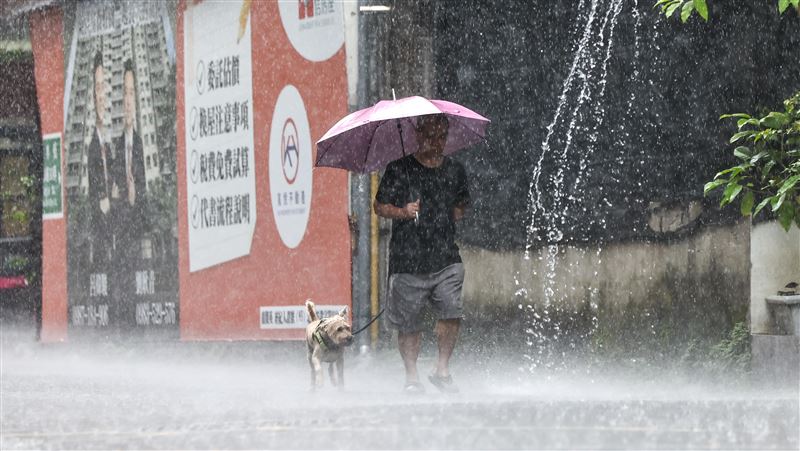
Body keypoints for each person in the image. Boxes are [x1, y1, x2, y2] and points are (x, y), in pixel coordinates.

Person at [374, 114, 470, 394]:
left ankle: (442, 369)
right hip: (408, 259)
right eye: (429, 136)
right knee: (409, 322)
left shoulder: (455, 170)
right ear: (417, 135)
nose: (435, 143)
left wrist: (446, 215)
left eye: (441, 137)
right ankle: (412, 376)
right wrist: (403, 212)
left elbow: (461, 206)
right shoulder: (399, 169)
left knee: (451, 310)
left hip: (445, 257)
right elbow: (379, 206)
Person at [111, 58, 147, 313]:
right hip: (120, 228)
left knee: (138, 280)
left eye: (132, 93)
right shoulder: (116, 144)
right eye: (125, 93)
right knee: (121, 282)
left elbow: (144, 186)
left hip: (137, 226)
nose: (128, 100)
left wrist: (137, 198)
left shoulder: (142, 145)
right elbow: (113, 189)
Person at [87, 50, 116, 265]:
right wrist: (101, 199)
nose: (101, 95)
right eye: (97, 89)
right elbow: (94, 180)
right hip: (101, 221)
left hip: (117, 220)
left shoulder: (112, 140)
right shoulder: (91, 146)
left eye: (104, 88)